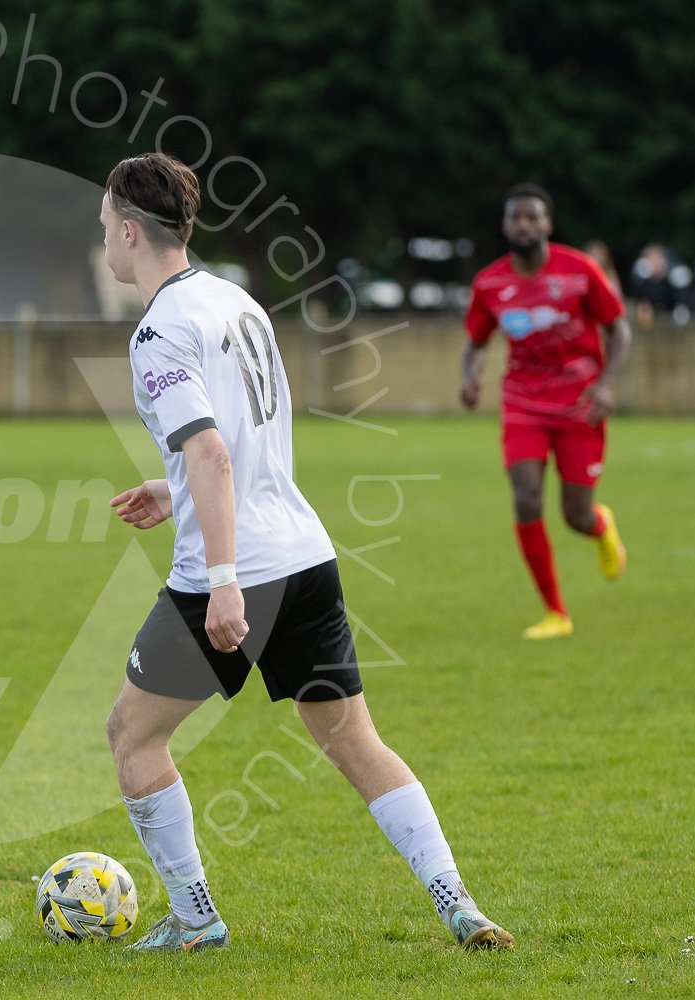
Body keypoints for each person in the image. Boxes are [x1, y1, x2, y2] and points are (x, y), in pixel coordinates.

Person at [99, 153, 513, 954]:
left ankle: (195, 921)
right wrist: (170, 485)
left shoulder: (158, 331)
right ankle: (456, 901)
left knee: (132, 736)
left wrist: (221, 584)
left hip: (236, 571)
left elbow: (214, 452)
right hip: (305, 556)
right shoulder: (236, 300)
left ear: (127, 231)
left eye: (103, 229)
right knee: (355, 740)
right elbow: (234, 446)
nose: (104, 245)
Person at [460, 184, 632, 640]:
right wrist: (470, 376)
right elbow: (475, 343)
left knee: (576, 514)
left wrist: (607, 384)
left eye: (532, 217)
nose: (524, 224)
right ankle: (556, 612)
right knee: (525, 497)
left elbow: (619, 329)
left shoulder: (579, 270)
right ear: (505, 225)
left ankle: (600, 525)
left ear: (547, 224)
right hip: (523, 403)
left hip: (581, 404)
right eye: (516, 217)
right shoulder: (491, 283)